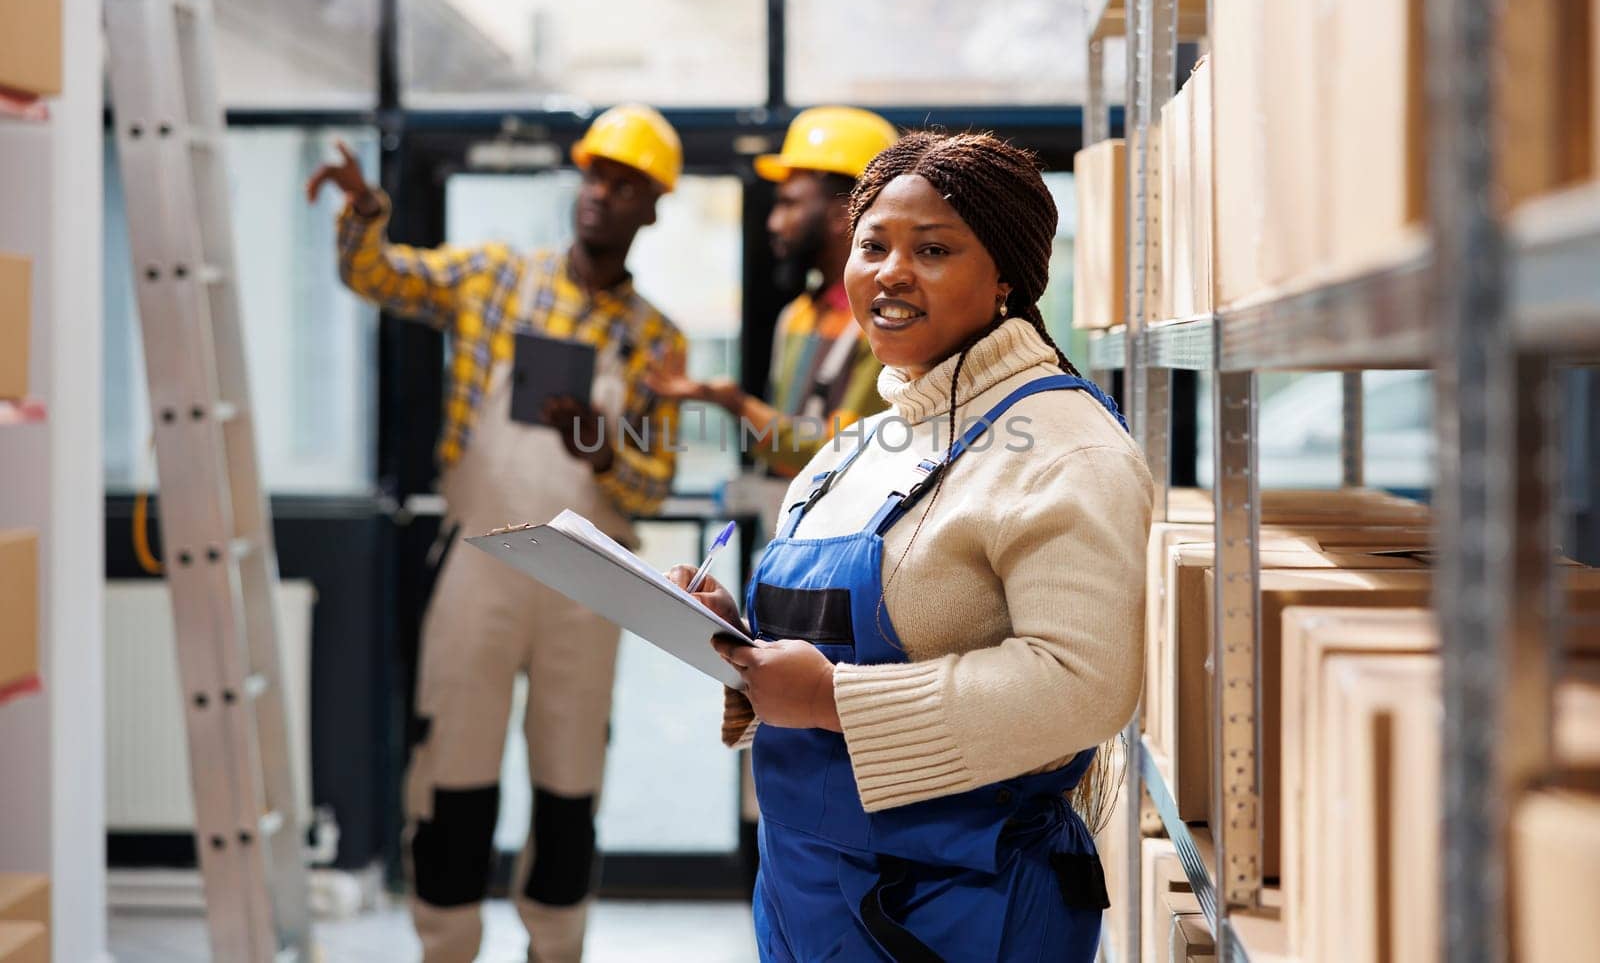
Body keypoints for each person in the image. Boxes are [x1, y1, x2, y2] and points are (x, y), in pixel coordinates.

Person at [667, 132, 1153, 961]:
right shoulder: (850, 451)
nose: (891, 271)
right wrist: (729, 634)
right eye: (873, 246)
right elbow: (822, 646)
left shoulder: (1069, 447)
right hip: (806, 891)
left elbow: (1085, 685)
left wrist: (829, 700)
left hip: (958, 907)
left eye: (932, 249)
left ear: (1006, 276)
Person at [306, 105, 688, 963]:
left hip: (588, 583)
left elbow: (654, 485)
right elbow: (381, 277)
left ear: (652, 209)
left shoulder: (654, 340)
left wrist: (592, 438)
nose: (601, 196)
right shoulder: (496, 277)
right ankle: (446, 947)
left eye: (625, 187)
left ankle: (556, 948)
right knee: (454, 770)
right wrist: (368, 214)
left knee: (568, 778)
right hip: (479, 559)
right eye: (595, 176)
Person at [646, 106, 898, 481]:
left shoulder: (889, 325)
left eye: (790, 203)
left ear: (842, 214)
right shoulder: (796, 316)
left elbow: (838, 452)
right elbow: (786, 450)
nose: (774, 223)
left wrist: (735, 404)